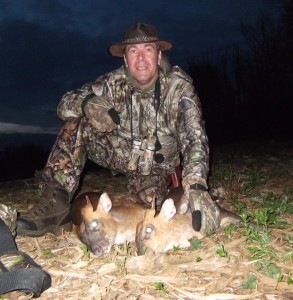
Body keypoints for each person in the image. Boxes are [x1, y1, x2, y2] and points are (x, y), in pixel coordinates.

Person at [17, 22, 220, 237]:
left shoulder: (179, 87)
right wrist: (86, 103)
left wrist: (196, 185)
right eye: (133, 51)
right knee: (76, 122)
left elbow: (194, 137)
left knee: (147, 217)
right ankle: (55, 207)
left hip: (155, 169)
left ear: (159, 57)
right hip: (118, 154)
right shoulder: (110, 84)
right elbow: (64, 104)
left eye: (148, 50)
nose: (141, 58)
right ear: (125, 59)